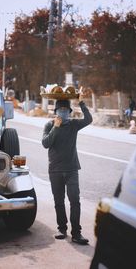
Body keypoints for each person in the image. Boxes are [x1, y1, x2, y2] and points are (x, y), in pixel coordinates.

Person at [42, 94, 93, 245]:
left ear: (69, 111)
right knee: (59, 201)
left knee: (75, 201)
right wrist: (56, 128)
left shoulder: (73, 125)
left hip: (71, 169)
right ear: (56, 110)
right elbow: (46, 143)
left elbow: (89, 119)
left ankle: (76, 233)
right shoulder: (49, 125)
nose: (63, 112)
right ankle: (62, 229)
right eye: (60, 109)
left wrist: (82, 103)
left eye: (66, 109)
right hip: (55, 170)